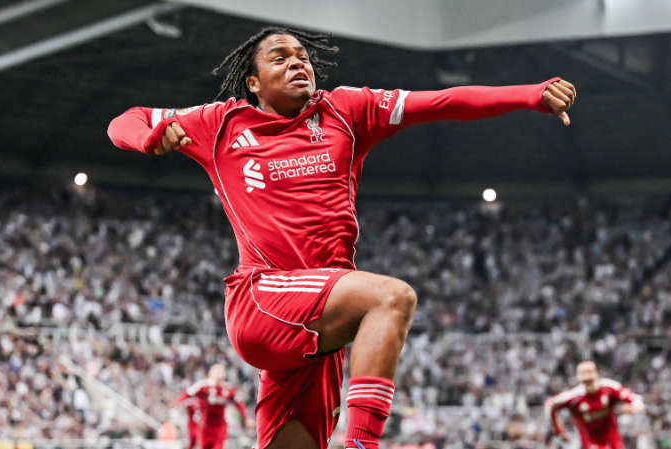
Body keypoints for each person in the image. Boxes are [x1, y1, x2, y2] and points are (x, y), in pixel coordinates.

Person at [107, 27, 576, 449]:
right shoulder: (219, 123)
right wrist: (149, 137)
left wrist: (529, 95)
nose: (297, 63)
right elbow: (127, 120)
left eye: (302, 56)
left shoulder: (346, 110)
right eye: (279, 58)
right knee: (392, 298)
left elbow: (441, 102)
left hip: (321, 323)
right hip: (263, 298)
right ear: (253, 83)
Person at [544, 360, 645, 449]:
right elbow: (549, 405)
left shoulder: (608, 387)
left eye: (589, 372)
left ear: (596, 373)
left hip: (614, 442)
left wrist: (634, 408)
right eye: (583, 373)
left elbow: (636, 399)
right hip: (591, 444)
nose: (587, 377)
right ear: (578, 376)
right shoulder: (573, 396)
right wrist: (557, 430)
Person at [174, 364, 248, 449]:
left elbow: (238, 403)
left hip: (220, 426)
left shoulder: (228, 388)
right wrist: (178, 401)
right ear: (210, 373)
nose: (219, 374)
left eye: (221, 372)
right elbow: (188, 393)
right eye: (217, 371)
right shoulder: (202, 385)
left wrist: (246, 418)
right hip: (205, 425)